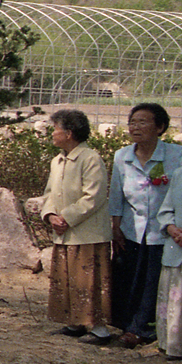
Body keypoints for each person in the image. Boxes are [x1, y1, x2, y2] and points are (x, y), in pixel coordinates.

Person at [107, 102, 182, 347]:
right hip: (132, 228)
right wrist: (116, 226)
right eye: (133, 122)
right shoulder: (123, 156)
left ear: (160, 127)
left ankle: (141, 329)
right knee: (127, 277)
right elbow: (116, 195)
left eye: (143, 122)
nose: (136, 127)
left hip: (164, 231)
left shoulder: (177, 155)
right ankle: (125, 324)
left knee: (153, 280)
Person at [41, 108, 114, 340]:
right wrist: (51, 215)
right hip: (64, 233)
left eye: (56, 129)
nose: (52, 133)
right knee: (67, 277)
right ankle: (74, 323)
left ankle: (99, 329)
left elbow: (94, 195)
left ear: (69, 133)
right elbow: (49, 193)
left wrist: (67, 218)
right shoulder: (57, 161)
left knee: (89, 281)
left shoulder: (90, 158)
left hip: (86, 233)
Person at [154, 152, 182, 364]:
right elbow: (166, 209)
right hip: (177, 248)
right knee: (177, 301)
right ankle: (174, 347)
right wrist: (171, 228)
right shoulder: (180, 174)